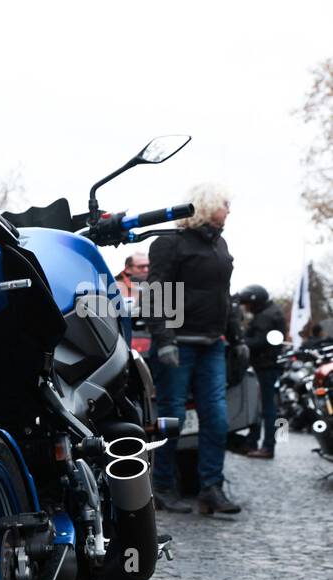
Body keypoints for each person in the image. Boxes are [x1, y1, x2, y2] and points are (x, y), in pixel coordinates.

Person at [146, 183, 241, 515]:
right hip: (179, 346)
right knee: (172, 417)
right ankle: (159, 486)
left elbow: (224, 295)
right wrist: (164, 338)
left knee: (216, 419)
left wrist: (237, 338)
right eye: (225, 203)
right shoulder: (170, 243)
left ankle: (210, 488)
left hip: (212, 344)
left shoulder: (221, 244)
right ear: (208, 205)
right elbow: (156, 292)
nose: (230, 209)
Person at [238, 284, 287, 459]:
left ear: (255, 301)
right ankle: (253, 442)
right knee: (262, 406)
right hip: (267, 365)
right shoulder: (269, 312)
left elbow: (259, 341)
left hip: (265, 366)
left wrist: (240, 342)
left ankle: (266, 446)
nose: (246, 307)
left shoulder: (265, 316)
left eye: (248, 304)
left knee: (265, 408)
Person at [113, 252, 149, 345]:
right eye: (141, 267)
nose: (146, 269)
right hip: (121, 340)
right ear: (128, 268)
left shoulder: (155, 284)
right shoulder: (113, 287)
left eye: (148, 266)